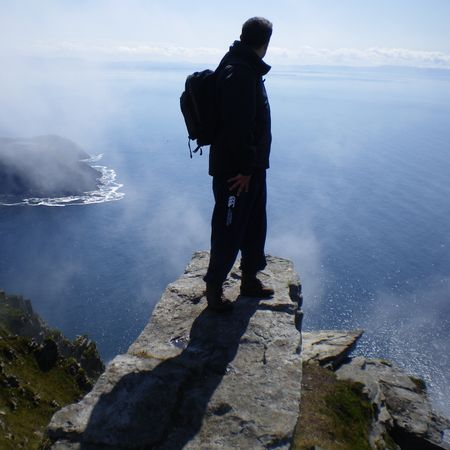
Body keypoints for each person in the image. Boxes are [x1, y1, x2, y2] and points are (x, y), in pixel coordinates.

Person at [204, 17, 274, 312]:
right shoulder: (240, 71)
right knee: (229, 228)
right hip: (236, 172)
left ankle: (248, 279)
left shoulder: (243, 65)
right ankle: (214, 290)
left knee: (254, 223)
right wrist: (245, 169)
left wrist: (252, 167)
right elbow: (237, 127)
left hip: (250, 168)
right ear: (265, 42)